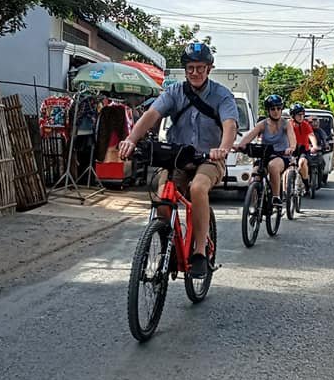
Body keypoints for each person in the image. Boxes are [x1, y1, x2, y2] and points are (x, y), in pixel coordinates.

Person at [118, 42, 238, 279]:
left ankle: (200, 252)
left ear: (209, 69)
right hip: (177, 157)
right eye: (190, 68)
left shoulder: (222, 95)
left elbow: (230, 125)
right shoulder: (174, 93)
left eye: (200, 68)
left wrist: (222, 149)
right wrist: (131, 139)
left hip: (208, 158)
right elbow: (152, 115)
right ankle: (167, 244)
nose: (195, 72)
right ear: (185, 69)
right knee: (163, 198)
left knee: (198, 188)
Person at [236, 94, 296, 205]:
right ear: (268, 110)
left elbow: (292, 137)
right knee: (254, 176)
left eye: (278, 108)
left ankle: (276, 197)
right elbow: (250, 135)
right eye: (273, 109)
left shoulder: (285, 124)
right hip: (265, 156)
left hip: (281, 156)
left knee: (273, 166)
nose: (276, 111)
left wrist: (291, 148)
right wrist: (240, 146)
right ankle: (255, 205)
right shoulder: (262, 124)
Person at [288, 102, 319, 194]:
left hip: (303, 149)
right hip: (290, 149)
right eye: (298, 115)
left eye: (302, 114)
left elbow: (311, 135)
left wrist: (314, 146)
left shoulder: (305, 125)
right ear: (293, 115)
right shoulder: (288, 125)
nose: (301, 117)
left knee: (302, 163)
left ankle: (306, 184)